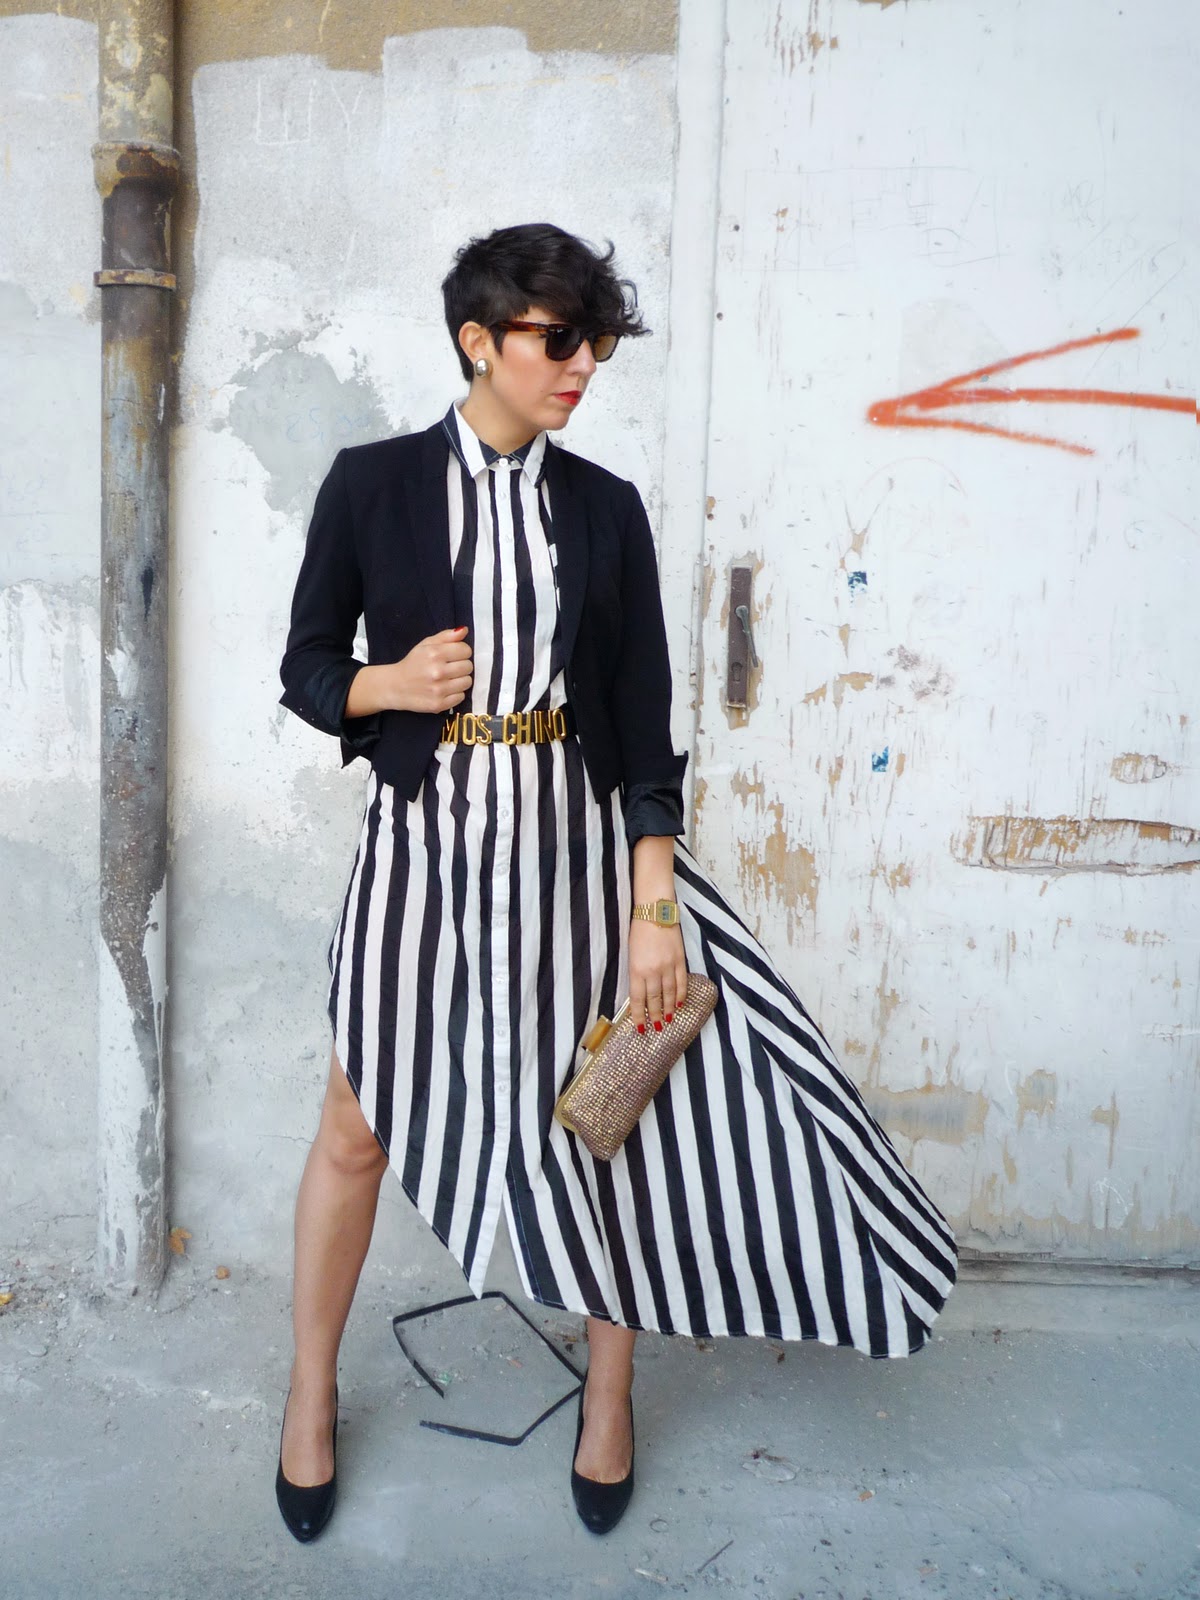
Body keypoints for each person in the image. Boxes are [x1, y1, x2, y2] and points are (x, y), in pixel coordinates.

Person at [274, 222, 958, 1543]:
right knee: (357, 1119)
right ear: (479, 341)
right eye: (558, 339)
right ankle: (309, 1394)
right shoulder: (373, 484)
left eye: (595, 341)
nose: (583, 363)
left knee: (611, 1118)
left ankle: (610, 1391)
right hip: (422, 849)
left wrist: (654, 910)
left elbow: (643, 722)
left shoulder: (604, 507)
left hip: (577, 859)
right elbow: (305, 666)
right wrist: (384, 685)